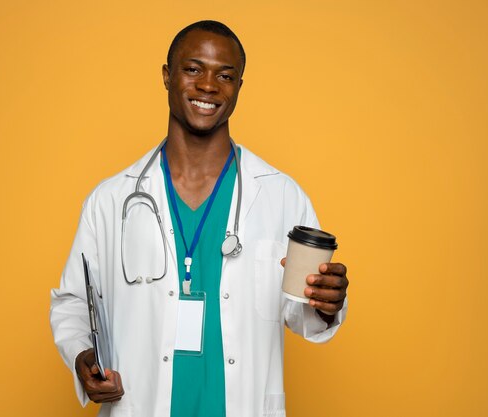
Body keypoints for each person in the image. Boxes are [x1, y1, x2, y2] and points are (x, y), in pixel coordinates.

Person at [50, 20, 349, 417]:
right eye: (193, 69)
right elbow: (73, 301)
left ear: (239, 86)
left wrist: (326, 304)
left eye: (225, 75)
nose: (208, 85)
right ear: (167, 76)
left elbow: (303, 314)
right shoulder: (110, 200)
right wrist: (82, 356)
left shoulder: (280, 195)